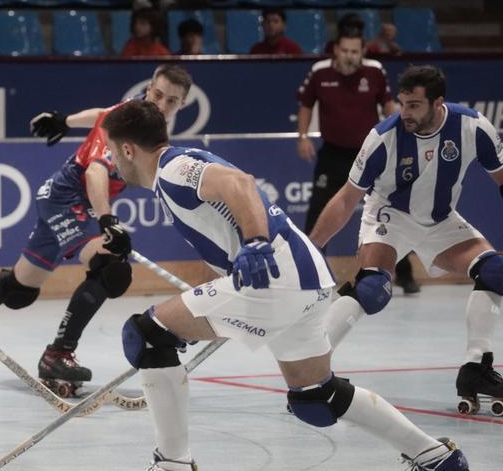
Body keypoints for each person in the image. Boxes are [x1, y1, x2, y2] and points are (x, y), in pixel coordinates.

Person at [103, 99, 470, 471]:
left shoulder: (175, 170)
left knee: (147, 335)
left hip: (275, 277)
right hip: (304, 279)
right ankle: (437, 457)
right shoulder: (181, 163)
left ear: (129, 149)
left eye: (112, 150)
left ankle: (172, 464)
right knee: (316, 397)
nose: (112, 158)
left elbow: (239, 184)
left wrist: (255, 242)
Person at [0, 65, 193, 396]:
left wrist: (65, 121)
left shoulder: (137, 114)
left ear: (182, 104)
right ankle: (59, 353)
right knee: (110, 268)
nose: (161, 104)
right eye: (157, 94)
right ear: (149, 87)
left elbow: (102, 114)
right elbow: (96, 171)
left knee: (20, 287)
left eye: (172, 101)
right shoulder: (132, 121)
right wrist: (107, 219)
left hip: (63, 199)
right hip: (69, 198)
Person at [309, 65, 503, 412]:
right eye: (402, 103)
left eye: (413, 105)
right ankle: (310, 373)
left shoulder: (472, 127)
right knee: (371, 289)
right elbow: (345, 199)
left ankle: (476, 368)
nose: (405, 112)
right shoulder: (384, 137)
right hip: (390, 216)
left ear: (438, 103)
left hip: (440, 221)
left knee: (495, 273)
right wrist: (312, 247)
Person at [296, 29, 420, 293]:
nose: (350, 57)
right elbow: (306, 104)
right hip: (332, 154)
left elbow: (388, 105)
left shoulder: (374, 70)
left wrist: (404, 131)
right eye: (345, 51)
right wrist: (303, 136)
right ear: (336, 50)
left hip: (371, 154)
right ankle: (308, 276)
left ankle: (406, 274)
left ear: (362, 52)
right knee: (319, 213)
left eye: (355, 52)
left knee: (393, 210)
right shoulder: (320, 72)